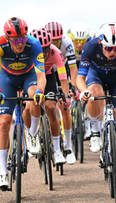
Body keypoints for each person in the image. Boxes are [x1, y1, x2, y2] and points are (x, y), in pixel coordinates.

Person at [76, 22, 116, 188]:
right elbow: (80, 78)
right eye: (109, 48)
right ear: (101, 43)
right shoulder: (90, 46)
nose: (112, 52)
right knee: (94, 93)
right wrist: (83, 91)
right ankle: (95, 131)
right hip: (96, 75)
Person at [0, 17, 46, 189]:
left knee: (34, 99)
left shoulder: (34, 44)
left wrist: (39, 91)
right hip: (6, 79)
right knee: (3, 123)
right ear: (8, 39)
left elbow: (41, 75)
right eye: (16, 41)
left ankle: (33, 134)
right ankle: (3, 172)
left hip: (28, 76)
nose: (20, 44)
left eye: (23, 39)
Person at [25, 28, 74, 165]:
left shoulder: (56, 53)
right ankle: (31, 135)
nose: (44, 54)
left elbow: (63, 80)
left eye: (47, 49)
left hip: (48, 76)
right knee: (27, 107)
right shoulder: (28, 53)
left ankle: (57, 150)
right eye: (41, 50)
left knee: (51, 107)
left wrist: (63, 97)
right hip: (31, 77)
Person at [45, 22, 77, 164]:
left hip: (62, 71)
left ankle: (68, 147)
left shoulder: (67, 43)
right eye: (53, 41)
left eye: (58, 41)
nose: (56, 44)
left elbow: (73, 68)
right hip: (48, 73)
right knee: (49, 105)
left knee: (65, 106)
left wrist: (73, 88)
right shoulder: (42, 44)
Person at [67, 23, 92, 139]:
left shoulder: (90, 43)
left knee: (87, 90)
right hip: (70, 66)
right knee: (70, 88)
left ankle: (87, 123)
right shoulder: (67, 42)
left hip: (85, 66)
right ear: (71, 38)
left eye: (83, 41)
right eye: (76, 41)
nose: (79, 44)